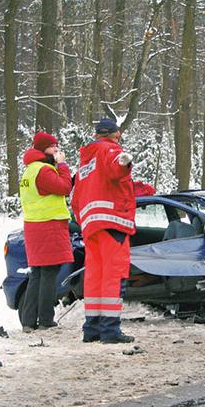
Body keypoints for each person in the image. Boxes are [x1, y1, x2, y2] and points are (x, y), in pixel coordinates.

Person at [71, 118, 136, 344]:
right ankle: (110, 330)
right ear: (115, 134)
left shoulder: (85, 163)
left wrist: (85, 221)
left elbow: (76, 201)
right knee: (113, 275)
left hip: (91, 226)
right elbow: (115, 168)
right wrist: (124, 162)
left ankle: (92, 329)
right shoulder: (109, 150)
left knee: (94, 277)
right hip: (113, 222)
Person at [19, 131, 73, 332]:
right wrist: (63, 166)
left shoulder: (30, 171)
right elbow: (64, 187)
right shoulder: (44, 170)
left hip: (34, 225)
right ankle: (46, 319)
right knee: (49, 273)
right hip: (49, 226)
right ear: (43, 149)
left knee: (38, 274)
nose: (57, 150)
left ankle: (28, 320)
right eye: (53, 146)